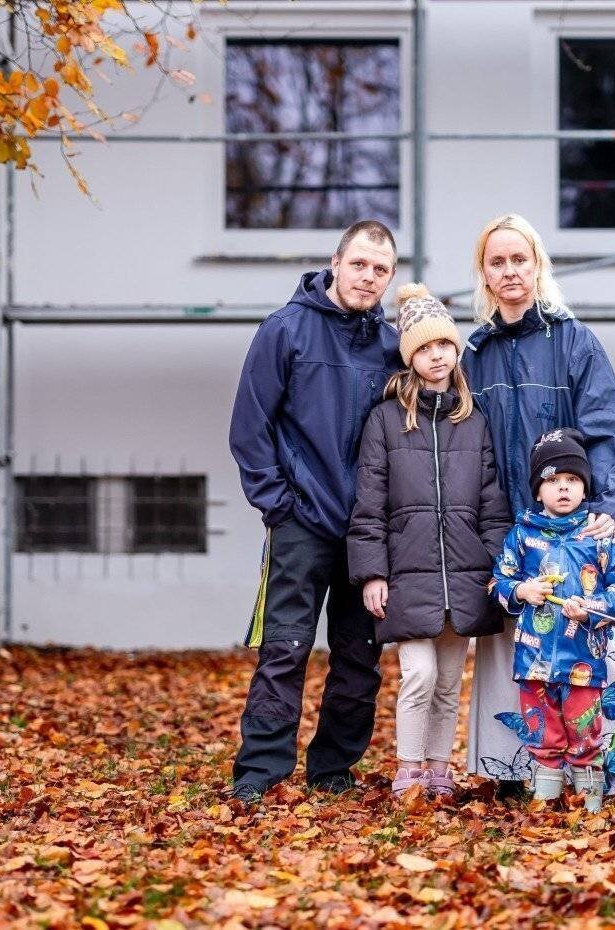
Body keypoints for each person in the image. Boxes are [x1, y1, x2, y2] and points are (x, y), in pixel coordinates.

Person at [459, 213, 615, 800]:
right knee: (513, 647)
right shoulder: (476, 354)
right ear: (484, 274)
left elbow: (606, 427)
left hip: (576, 531)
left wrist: (610, 505)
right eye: (497, 262)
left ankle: (612, 768)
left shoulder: (575, 342)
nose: (509, 271)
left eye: (519, 259)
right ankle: (516, 768)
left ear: (538, 265)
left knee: (589, 638)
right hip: (511, 528)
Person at [228, 220, 401, 805]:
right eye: (359, 264)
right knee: (284, 647)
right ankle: (261, 769)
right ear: (336, 263)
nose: (368, 277)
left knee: (360, 657)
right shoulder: (285, 330)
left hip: (367, 530)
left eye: (380, 269)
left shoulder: (391, 347)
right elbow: (250, 427)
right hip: (301, 521)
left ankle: (333, 768)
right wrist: (278, 504)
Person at [347, 284, 511, 797]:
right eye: (423, 348)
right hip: (408, 574)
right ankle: (408, 770)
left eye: (443, 344)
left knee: (447, 680)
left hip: (466, 575)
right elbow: (369, 504)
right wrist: (372, 573)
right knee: (417, 674)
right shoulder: (385, 420)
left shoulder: (474, 421)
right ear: (409, 357)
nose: (436, 355)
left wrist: (497, 566)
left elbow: (492, 504)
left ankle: (439, 770)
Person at [490, 428, 615, 812]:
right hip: (534, 661)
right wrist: (522, 591)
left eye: (573, 479)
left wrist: (593, 606)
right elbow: (498, 582)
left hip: (584, 659)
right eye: (553, 480)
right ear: (538, 491)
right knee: (542, 730)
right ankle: (546, 797)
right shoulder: (522, 535)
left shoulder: (599, 535)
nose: (564, 488)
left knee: (584, 727)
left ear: (585, 488)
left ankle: (589, 799)